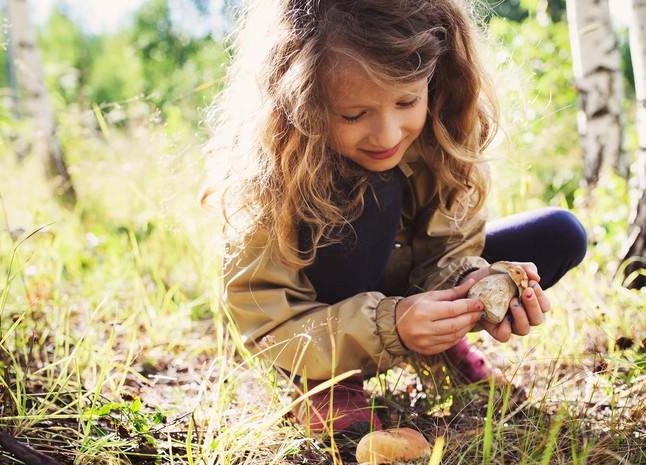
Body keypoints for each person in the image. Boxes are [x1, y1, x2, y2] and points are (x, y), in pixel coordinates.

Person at [202, 0, 587, 438]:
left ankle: (440, 346)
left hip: (402, 288)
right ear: (300, 102)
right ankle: (325, 383)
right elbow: (267, 322)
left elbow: (452, 247)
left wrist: (467, 290)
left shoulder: (445, 130)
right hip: (320, 324)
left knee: (559, 234)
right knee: (373, 186)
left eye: (407, 101)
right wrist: (393, 324)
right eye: (353, 114)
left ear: (435, 79)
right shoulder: (276, 172)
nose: (386, 135)